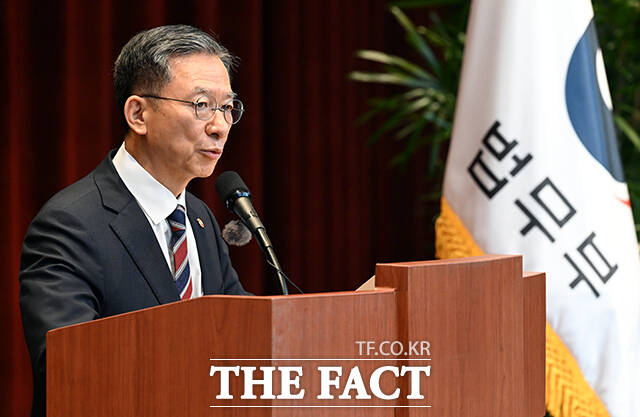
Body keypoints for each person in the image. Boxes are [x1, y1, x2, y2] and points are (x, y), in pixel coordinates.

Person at [19, 25, 249, 417]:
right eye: (201, 105)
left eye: (227, 107)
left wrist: (326, 324)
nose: (219, 126)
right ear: (138, 114)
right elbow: (67, 369)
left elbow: (241, 329)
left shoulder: (197, 218)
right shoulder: (69, 224)